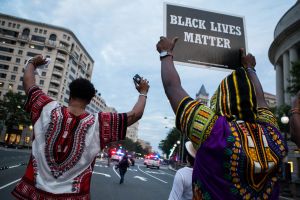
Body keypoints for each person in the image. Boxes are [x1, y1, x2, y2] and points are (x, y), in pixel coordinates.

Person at [156, 36, 287, 199]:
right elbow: (261, 100)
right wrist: (250, 69)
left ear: (220, 102)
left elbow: (172, 87)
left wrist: (165, 53)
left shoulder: (213, 129)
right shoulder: (274, 135)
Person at [12, 55, 149, 199]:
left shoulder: (46, 108)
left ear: (70, 94)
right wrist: (143, 92)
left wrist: (32, 63)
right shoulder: (100, 123)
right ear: (89, 101)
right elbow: (136, 114)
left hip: (35, 194)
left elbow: (29, 84)